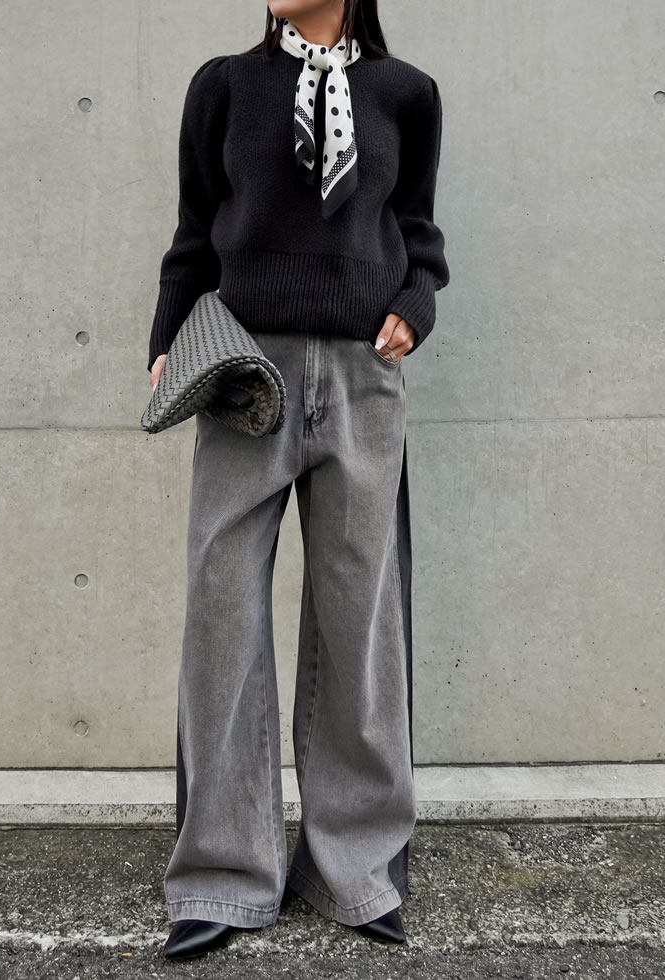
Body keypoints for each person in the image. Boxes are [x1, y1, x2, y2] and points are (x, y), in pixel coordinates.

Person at [146, 0, 450, 961]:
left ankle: (355, 869)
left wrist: (416, 302)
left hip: (363, 376)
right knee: (222, 617)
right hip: (246, 372)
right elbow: (196, 229)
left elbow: (418, 230)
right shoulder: (225, 86)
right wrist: (168, 340)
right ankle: (221, 876)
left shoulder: (406, 94)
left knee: (362, 623)